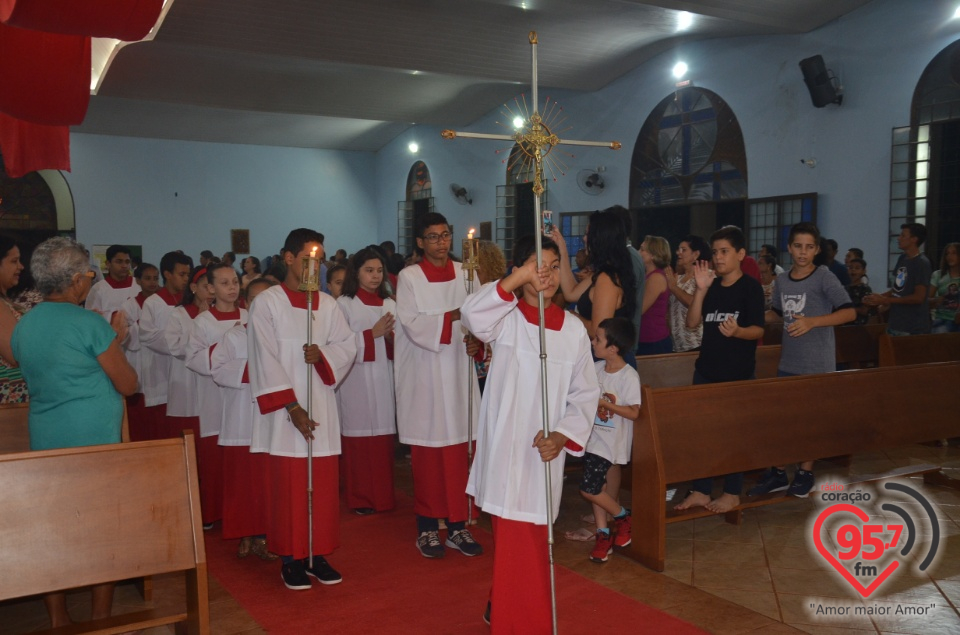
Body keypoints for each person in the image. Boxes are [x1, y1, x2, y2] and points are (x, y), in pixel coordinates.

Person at [460, 235, 598, 632]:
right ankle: (516, 619)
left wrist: (562, 435)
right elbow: (473, 316)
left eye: (555, 267)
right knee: (513, 543)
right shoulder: (505, 320)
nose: (549, 275)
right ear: (520, 273)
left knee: (532, 544)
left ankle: (509, 610)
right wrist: (516, 277)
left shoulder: (572, 330)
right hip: (506, 450)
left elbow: (586, 394)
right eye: (539, 266)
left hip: (543, 454)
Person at [11, 236, 137, 629]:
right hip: (94, 440)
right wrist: (117, 338)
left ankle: (57, 617)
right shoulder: (88, 324)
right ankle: (100, 616)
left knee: (54, 531)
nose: (90, 279)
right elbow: (128, 384)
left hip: (47, 437)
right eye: (88, 273)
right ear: (75, 281)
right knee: (103, 531)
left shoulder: (25, 324)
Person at [247, 228, 356, 591]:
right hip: (284, 414)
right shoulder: (268, 303)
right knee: (289, 488)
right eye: (309, 258)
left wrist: (322, 356)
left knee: (321, 486)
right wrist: (292, 407)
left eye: (320, 260)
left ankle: (317, 552)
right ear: (288, 258)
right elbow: (263, 356)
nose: (315, 266)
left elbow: (348, 345)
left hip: (321, 405)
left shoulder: (328, 305)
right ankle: (291, 558)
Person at [394, 212, 482, 559]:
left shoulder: (466, 273)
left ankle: (458, 527)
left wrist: (478, 341)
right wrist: (457, 316)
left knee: (459, 452)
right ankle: (428, 528)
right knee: (429, 455)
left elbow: (479, 320)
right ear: (419, 242)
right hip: (425, 374)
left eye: (445, 235)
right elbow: (413, 323)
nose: (441, 243)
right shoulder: (409, 277)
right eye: (432, 237)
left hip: (458, 370)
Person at [750, 222, 856, 498]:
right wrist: (751, 317)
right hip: (789, 362)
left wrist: (813, 322)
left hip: (817, 363)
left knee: (811, 423)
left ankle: (805, 472)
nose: (803, 252)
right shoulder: (782, 281)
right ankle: (778, 473)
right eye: (798, 246)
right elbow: (777, 314)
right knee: (784, 421)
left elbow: (848, 312)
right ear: (789, 247)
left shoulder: (824, 276)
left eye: (809, 247)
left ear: (817, 250)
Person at [674, 226, 764, 514]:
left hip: (737, 372)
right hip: (706, 370)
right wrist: (700, 290)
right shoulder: (710, 286)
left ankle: (732, 492)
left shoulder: (750, 288)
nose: (719, 257)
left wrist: (738, 331)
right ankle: (701, 490)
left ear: (740, 254)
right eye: (715, 252)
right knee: (703, 433)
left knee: (732, 435)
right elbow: (691, 323)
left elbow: (758, 330)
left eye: (725, 251)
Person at [211, 277, 278, 560]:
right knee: (242, 481)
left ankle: (266, 534)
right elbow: (218, 369)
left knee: (267, 481)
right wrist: (252, 369)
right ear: (247, 304)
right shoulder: (234, 336)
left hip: (271, 420)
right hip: (240, 420)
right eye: (257, 301)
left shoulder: (284, 338)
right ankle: (244, 533)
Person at [336, 247, 397, 515]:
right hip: (355, 380)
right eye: (368, 270)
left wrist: (392, 339)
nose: (375, 276)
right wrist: (371, 334)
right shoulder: (344, 304)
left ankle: (383, 497)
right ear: (356, 272)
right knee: (358, 440)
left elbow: (404, 342)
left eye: (379, 271)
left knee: (382, 440)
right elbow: (338, 345)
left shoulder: (391, 304)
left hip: (384, 376)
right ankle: (360, 497)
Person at [187, 264, 245, 530]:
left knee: (241, 460)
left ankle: (239, 512)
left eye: (234, 281)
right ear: (210, 289)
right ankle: (212, 512)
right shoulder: (202, 322)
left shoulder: (248, 315)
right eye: (224, 283)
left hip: (244, 397)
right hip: (213, 396)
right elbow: (194, 359)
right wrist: (227, 345)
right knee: (214, 458)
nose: (232, 287)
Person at [580, 317, 642, 564]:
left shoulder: (628, 376)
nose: (593, 342)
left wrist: (605, 404)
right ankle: (603, 535)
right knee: (598, 489)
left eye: (598, 339)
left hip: (611, 442)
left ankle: (623, 516)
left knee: (589, 488)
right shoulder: (596, 369)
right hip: (593, 439)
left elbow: (634, 412)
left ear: (613, 348)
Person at [551, 208, 637, 365]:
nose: (584, 238)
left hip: (608, 360)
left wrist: (573, 316)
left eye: (587, 234)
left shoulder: (607, 279)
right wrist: (561, 248)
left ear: (600, 239)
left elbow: (598, 330)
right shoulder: (602, 271)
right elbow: (570, 293)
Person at [139, 251, 192, 439]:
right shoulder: (153, 303)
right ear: (168, 274)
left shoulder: (190, 302)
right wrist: (179, 344)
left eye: (188, 274)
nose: (186, 279)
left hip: (185, 373)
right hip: (160, 370)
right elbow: (148, 336)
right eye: (181, 274)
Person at [863, 223, 932, 335]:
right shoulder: (903, 258)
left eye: (903, 235)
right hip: (896, 322)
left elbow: (919, 297)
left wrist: (886, 300)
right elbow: (897, 289)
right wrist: (876, 298)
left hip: (913, 326)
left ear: (914, 239)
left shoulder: (922, 263)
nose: (899, 238)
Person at [119, 263, 161, 440]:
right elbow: (126, 336)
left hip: (157, 359)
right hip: (137, 358)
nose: (152, 282)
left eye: (155, 278)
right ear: (138, 280)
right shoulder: (129, 305)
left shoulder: (162, 302)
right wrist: (143, 325)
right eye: (147, 278)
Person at [0, 235, 32, 404]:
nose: (21, 267)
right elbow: (16, 354)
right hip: (9, 400)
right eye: (14, 261)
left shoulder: (5, 301)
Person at [665, 235, 710, 353]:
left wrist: (674, 288)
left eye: (683, 250)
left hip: (697, 344)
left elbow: (694, 303)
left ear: (696, 254)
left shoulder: (706, 276)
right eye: (678, 249)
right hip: (676, 345)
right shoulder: (677, 279)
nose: (678, 253)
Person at [637, 235, 671, 355]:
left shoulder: (656, 278)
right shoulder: (648, 276)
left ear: (653, 255)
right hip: (647, 337)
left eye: (642, 249)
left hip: (654, 340)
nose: (638, 252)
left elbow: (640, 308)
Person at [85, 245, 140, 318]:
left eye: (127, 262)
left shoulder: (139, 285)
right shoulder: (97, 290)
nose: (124, 266)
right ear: (108, 264)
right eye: (119, 262)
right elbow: (91, 319)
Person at [929, 242, 960, 333]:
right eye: (947, 253)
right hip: (942, 319)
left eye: (954, 253)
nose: (950, 256)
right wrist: (935, 300)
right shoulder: (938, 275)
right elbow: (926, 299)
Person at [845, 258, 875, 325]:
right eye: (850, 267)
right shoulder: (845, 288)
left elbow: (865, 310)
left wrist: (848, 310)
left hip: (860, 325)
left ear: (863, 271)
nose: (853, 270)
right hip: (845, 323)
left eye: (857, 268)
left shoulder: (865, 289)